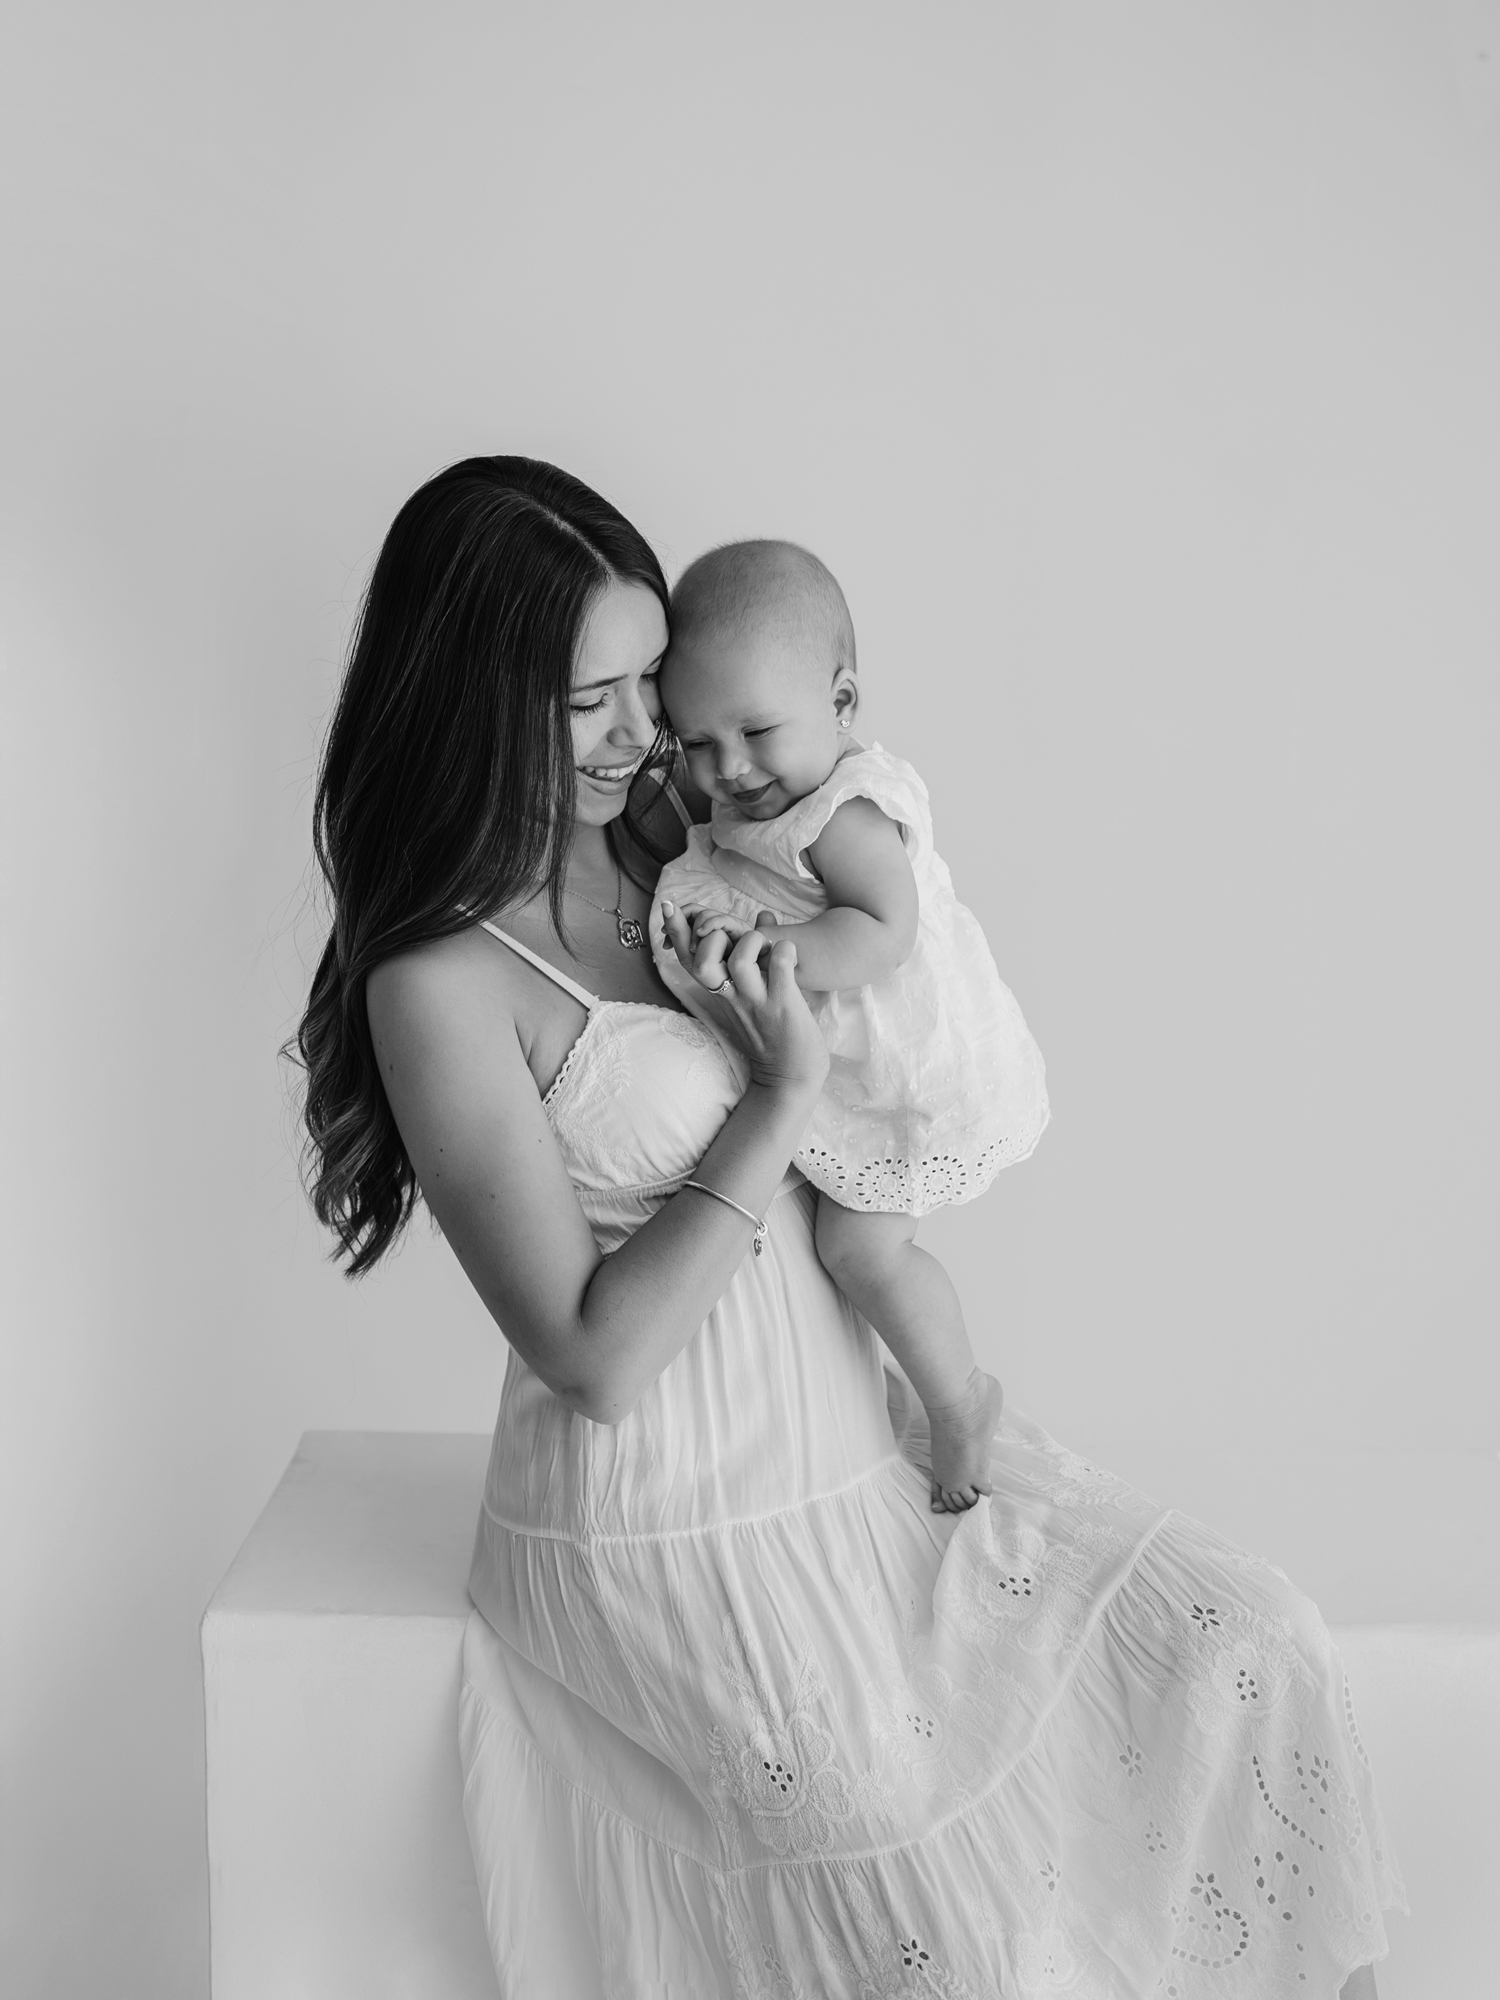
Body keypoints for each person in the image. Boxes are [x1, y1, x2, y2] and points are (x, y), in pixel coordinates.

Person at [296, 453, 1403, 1999]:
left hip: (850, 1442)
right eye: (588, 702)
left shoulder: (678, 830)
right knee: (927, 1894)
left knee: (1245, 1640)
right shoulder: (443, 985)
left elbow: (881, 903)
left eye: (649, 687)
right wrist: (778, 1092)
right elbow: (591, 1358)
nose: (642, 738)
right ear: (476, 701)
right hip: (664, 1516)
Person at [649, 539, 1048, 1512]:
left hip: (904, 1079)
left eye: (755, 730)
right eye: (696, 742)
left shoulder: (842, 809)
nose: (728, 768)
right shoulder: (756, 800)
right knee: (805, 1249)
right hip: (838, 1076)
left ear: (841, 701)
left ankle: (960, 1400)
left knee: (859, 1252)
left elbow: (883, 929)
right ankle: (862, 1401)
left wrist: (771, 944)